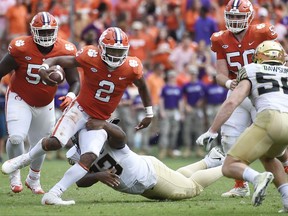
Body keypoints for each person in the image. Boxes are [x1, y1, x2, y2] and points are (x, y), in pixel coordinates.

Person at [2, 27, 153, 205]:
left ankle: (54, 194)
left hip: (100, 119)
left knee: (88, 158)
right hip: (79, 110)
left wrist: (149, 112)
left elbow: (142, 86)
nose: (115, 56)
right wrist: (44, 67)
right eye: (111, 50)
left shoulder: (132, 67)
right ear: (101, 48)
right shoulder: (90, 55)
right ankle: (22, 160)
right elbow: (59, 59)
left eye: (119, 52)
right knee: (55, 142)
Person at [197, 40, 288, 212]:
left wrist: (212, 130)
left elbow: (232, 102)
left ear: (258, 57)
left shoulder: (252, 69)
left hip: (269, 118)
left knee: (230, 165)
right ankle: (287, 199)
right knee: (269, 157)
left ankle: (257, 178)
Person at [0, 11, 80, 194]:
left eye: (48, 31)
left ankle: (33, 178)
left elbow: (75, 81)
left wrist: (70, 95)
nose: (45, 35)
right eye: (41, 32)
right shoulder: (20, 47)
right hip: (20, 97)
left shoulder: (66, 49)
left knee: (41, 143)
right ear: (33, 31)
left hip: (45, 102)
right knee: (16, 137)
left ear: (56, 30)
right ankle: (15, 176)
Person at [209, 0, 280, 198]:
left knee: (273, 138)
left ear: (249, 17)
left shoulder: (262, 32)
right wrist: (227, 84)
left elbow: (280, 58)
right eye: (231, 17)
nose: (235, 21)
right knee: (229, 137)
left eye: (239, 16)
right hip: (238, 89)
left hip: (262, 90)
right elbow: (220, 74)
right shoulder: (219, 38)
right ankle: (240, 185)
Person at [66, 117, 225, 201]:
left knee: (192, 187)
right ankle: (210, 160)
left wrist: (105, 125)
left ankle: (226, 166)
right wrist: (98, 176)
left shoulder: (104, 137)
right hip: (143, 183)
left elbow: (121, 138)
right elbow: (80, 181)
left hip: (148, 175)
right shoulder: (74, 153)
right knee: (179, 178)